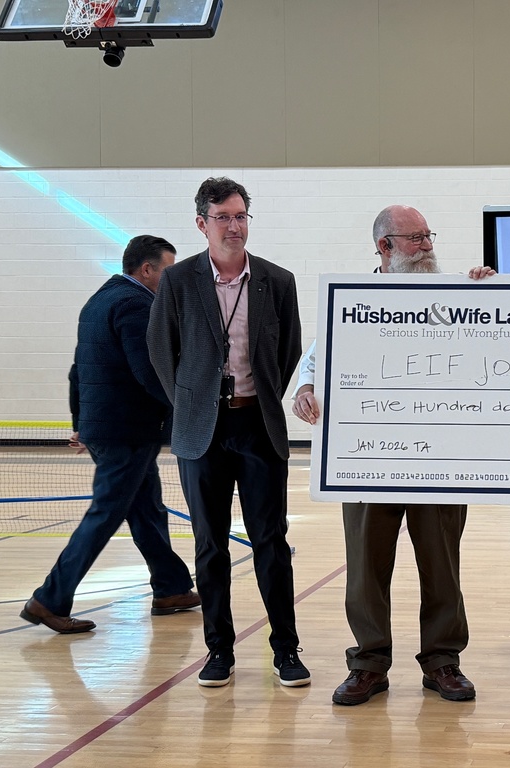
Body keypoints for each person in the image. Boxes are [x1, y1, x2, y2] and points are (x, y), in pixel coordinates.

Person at [293, 205, 494, 706]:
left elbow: (496, 343)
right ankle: (368, 664)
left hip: (441, 459)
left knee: (443, 563)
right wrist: (306, 388)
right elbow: (316, 357)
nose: (427, 245)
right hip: (366, 458)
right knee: (364, 568)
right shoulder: (352, 301)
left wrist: (494, 294)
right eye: (415, 238)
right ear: (384, 247)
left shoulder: (458, 292)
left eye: (429, 236)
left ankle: (443, 661)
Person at [147, 177, 309, 688]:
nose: (234, 226)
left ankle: (286, 648)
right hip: (202, 431)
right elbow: (161, 350)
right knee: (209, 546)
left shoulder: (277, 281)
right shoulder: (178, 283)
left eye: (241, 216)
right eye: (223, 217)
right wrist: (192, 401)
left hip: (258, 425)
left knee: (271, 542)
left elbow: (287, 354)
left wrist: (257, 395)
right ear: (202, 224)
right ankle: (219, 650)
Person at [21, 235, 199, 634]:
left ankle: (171, 588)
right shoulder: (136, 305)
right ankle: (48, 599)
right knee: (105, 514)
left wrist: (81, 423)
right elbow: (150, 373)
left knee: (146, 508)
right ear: (147, 269)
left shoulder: (98, 300)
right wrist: (189, 406)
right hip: (127, 431)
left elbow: (78, 370)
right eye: (168, 271)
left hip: (109, 428)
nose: (171, 280)